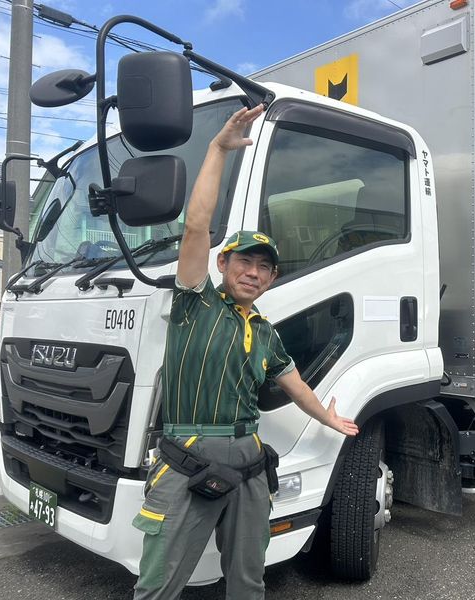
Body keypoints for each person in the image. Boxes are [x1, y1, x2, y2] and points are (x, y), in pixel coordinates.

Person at [133, 104, 359, 600]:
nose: (253, 272)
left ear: (272, 278)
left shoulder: (267, 332)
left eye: (264, 267)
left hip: (250, 461)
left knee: (248, 579)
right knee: (158, 584)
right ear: (223, 263)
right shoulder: (195, 302)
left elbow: (294, 381)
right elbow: (196, 226)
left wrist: (328, 418)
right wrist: (217, 149)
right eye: (245, 262)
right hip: (189, 457)